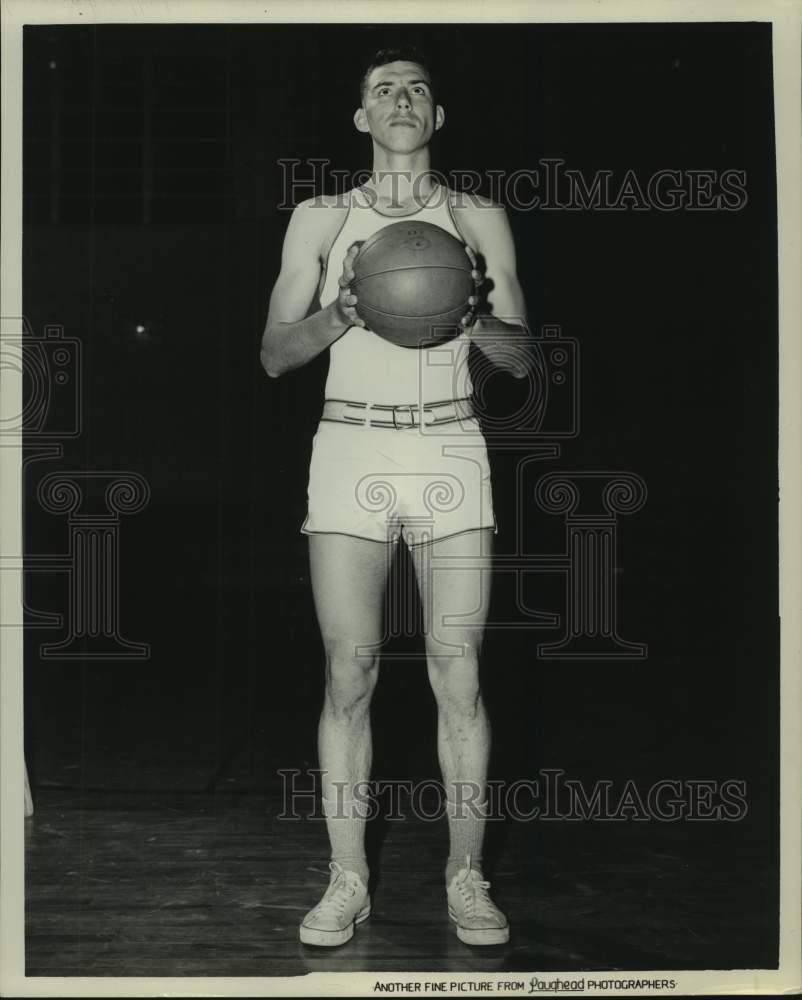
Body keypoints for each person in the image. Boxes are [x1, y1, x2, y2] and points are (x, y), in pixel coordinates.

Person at [261, 44, 534, 948]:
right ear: (361, 118)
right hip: (350, 440)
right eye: (383, 90)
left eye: (418, 88)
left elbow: (524, 360)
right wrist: (344, 309)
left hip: (451, 443)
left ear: (439, 117)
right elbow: (273, 354)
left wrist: (477, 317)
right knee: (352, 672)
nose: (401, 99)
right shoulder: (318, 217)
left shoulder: (479, 215)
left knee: (459, 674)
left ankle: (467, 876)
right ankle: (347, 879)